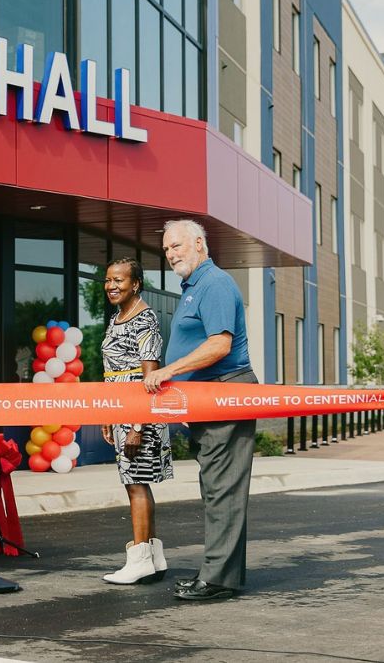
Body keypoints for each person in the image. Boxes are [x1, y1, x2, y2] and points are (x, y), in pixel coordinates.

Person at [143, 220, 256, 601]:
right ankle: (220, 572)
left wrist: (169, 371)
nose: (171, 253)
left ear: (198, 243)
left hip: (226, 393)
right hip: (209, 399)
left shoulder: (215, 283)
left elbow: (219, 345)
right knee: (215, 489)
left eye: (176, 246)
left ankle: (219, 579)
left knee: (222, 489)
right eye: (167, 250)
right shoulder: (194, 286)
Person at [99, 257, 172, 585]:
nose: (112, 286)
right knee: (136, 483)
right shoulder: (117, 317)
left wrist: (136, 426)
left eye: (119, 280)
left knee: (136, 484)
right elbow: (113, 372)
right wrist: (109, 414)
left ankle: (140, 557)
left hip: (139, 417)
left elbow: (150, 377)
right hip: (122, 412)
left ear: (136, 284)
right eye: (108, 280)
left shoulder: (145, 319)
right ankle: (153, 558)